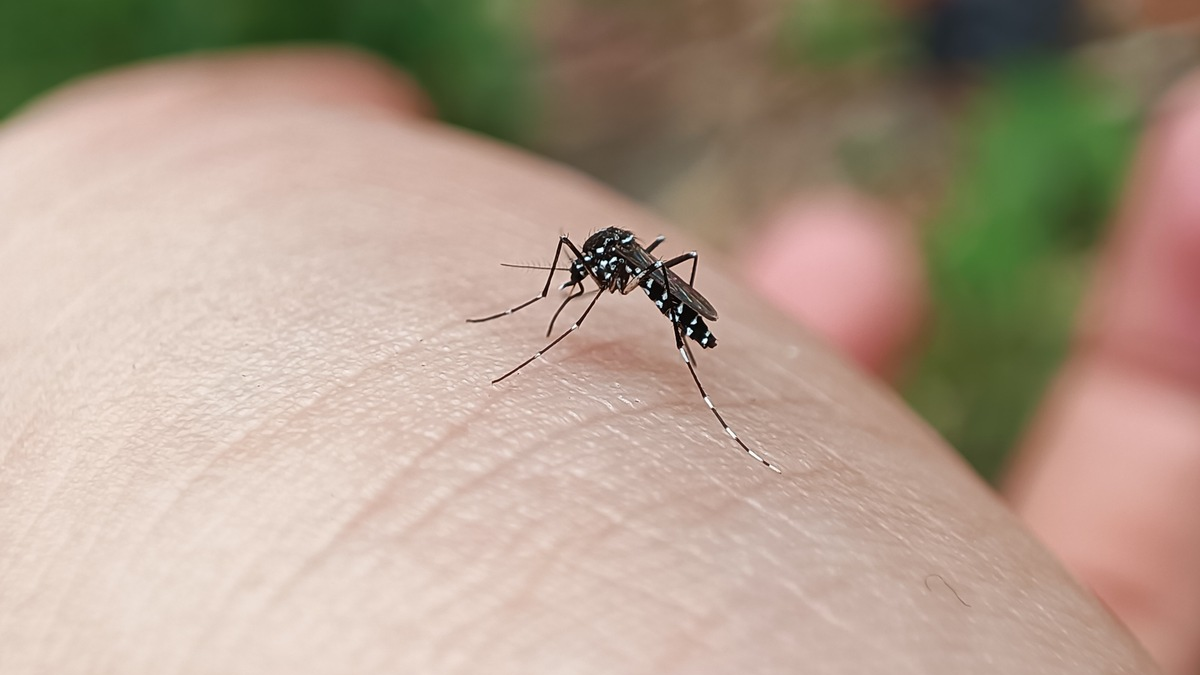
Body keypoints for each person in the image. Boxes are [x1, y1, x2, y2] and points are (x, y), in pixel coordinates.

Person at [0, 48, 1191, 673]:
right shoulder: (607, 252)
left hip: (684, 312)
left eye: (587, 273)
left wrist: (624, 313)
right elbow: (595, 262)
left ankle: (709, 400)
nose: (587, 275)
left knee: (668, 285)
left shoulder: (636, 269)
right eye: (587, 275)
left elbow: (629, 270)